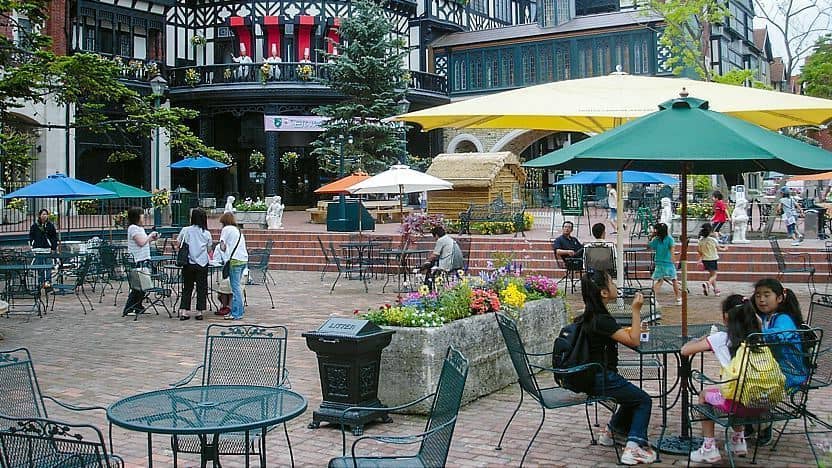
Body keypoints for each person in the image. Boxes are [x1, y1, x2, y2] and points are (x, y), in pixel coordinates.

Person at [581, 271, 657, 465]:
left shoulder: (589, 316)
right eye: (611, 282)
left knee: (631, 397)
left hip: (590, 376)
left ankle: (612, 432)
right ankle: (634, 448)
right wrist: (636, 310)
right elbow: (634, 341)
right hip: (600, 377)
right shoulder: (602, 319)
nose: (615, 285)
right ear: (604, 293)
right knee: (643, 400)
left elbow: (621, 334)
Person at [682, 295, 758, 463]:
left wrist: (703, 339)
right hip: (759, 402)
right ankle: (738, 440)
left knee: (705, 395)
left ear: (725, 317)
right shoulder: (759, 338)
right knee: (738, 391)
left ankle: (709, 447)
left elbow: (685, 350)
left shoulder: (721, 338)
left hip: (736, 402)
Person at [749, 277, 808, 445]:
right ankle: (751, 420)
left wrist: (759, 332)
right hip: (773, 369)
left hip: (790, 373)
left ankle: (762, 424)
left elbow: (780, 335)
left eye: (767, 295)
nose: (761, 299)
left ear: (780, 298)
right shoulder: (766, 317)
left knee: (751, 383)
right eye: (758, 295)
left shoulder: (783, 318)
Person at [176, 208, 212, 320]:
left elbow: (178, 243)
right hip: (202, 263)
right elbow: (209, 249)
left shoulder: (185, 230)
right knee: (201, 287)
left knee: (187, 287)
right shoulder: (206, 233)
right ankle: (199, 311)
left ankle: (184, 311)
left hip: (188, 262)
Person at [124, 207, 159, 317]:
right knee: (138, 287)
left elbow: (145, 242)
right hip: (137, 260)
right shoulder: (133, 228)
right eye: (141, 214)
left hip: (144, 259)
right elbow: (141, 242)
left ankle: (138, 306)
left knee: (143, 286)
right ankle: (129, 307)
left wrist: (152, 238)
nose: (143, 217)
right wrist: (150, 236)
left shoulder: (140, 229)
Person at [219, 212, 248, 320]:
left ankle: (236, 313)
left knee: (235, 288)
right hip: (243, 259)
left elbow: (222, 246)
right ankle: (239, 310)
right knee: (238, 287)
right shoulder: (238, 230)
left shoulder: (226, 230)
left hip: (234, 260)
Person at [648, 223, 681, 306]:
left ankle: (653, 296)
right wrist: (673, 258)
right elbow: (672, 249)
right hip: (668, 262)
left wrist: (651, 237)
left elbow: (650, 246)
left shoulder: (656, 239)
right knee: (674, 280)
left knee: (659, 280)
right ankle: (678, 298)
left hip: (659, 262)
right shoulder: (670, 239)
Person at [29, 208, 58, 287]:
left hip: (48, 249)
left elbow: (54, 237)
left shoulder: (50, 226)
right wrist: (32, 245)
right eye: (43, 214)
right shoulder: (34, 226)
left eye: (46, 214)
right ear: (40, 215)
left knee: (48, 266)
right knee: (40, 266)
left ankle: (48, 282)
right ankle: (40, 282)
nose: (44, 216)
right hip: (38, 249)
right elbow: (31, 236)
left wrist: (53, 248)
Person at [697, 223, 727, 297]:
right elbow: (719, 248)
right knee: (714, 275)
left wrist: (700, 259)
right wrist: (725, 248)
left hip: (705, 259)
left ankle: (715, 290)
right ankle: (708, 284)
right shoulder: (713, 240)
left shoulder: (700, 241)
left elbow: (699, 251)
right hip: (712, 259)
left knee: (711, 274)